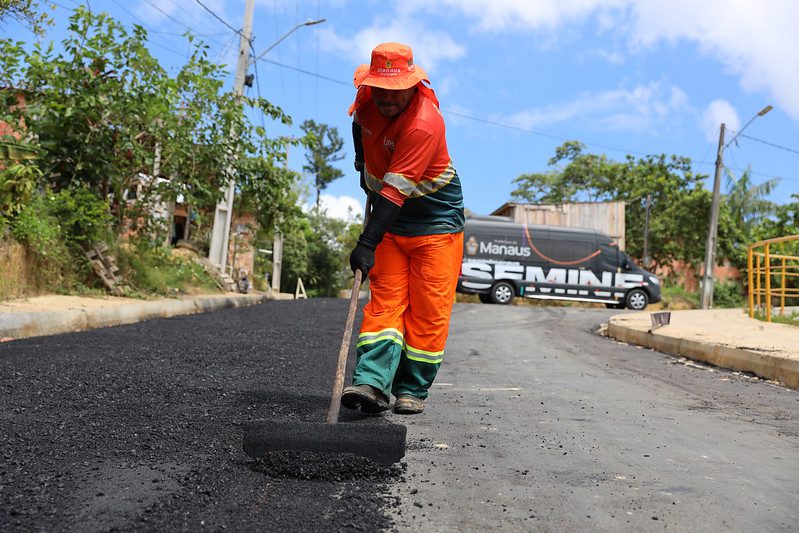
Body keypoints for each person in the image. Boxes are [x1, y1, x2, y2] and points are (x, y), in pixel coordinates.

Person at [341, 42, 465, 415]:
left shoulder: (424, 123)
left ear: (412, 85)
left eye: (396, 91)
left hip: (435, 222)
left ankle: (411, 388)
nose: (387, 98)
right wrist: (363, 165)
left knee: (428, 311)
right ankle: (372, 383)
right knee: (384, 305)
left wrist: (366, 242)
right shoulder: (366, 104)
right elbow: (359, 130)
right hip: (390, 221)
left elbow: (395, 193)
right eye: (381, 89)